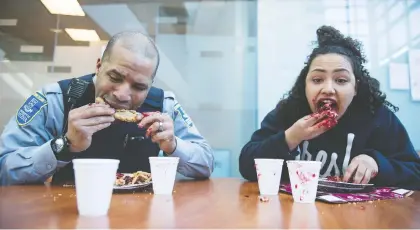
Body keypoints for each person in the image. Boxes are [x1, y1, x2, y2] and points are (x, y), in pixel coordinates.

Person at [0, 31, 214, 185]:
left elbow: (206, 162)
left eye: (139, 87)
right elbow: (5, 169)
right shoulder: (54, 99)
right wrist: (65, 144)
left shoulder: (164, 105)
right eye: (114, 77)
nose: (122, 94)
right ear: (99, 66)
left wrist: (173, 145)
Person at [239, 25, 420, 190]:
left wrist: (376, 163)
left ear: (355, 87)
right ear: (305, 85)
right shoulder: (289, 112)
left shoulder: (377, 117)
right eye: (317, 80)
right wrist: (290, 137)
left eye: (341, 80)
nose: (328, 89)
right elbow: (246, 166)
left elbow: (415, 172)